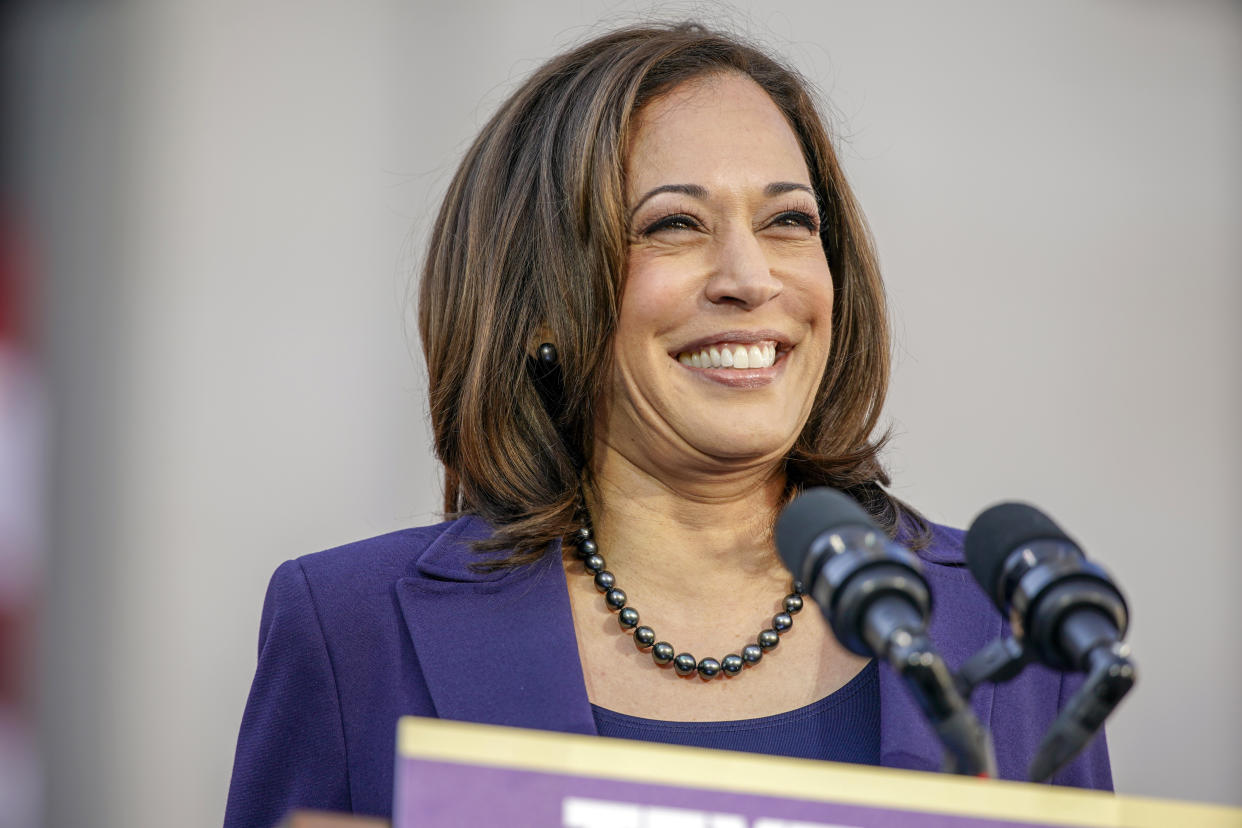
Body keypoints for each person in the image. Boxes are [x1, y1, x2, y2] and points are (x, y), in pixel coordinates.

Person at [224, 21, 1111, 827]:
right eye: (675, 224)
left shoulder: (1014, 628)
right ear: (539, 302)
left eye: (789, 222)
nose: (749, 277)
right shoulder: (350, 630)